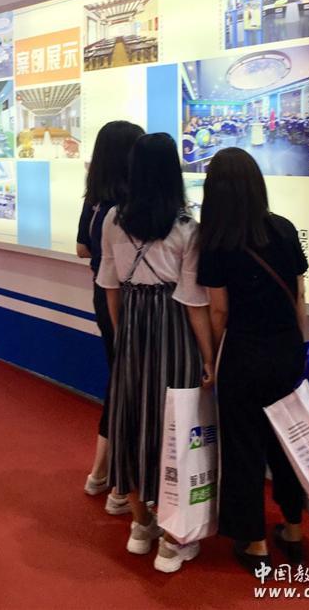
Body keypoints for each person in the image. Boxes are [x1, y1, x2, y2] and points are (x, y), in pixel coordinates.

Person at [97, 133, 213, 574]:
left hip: (132, 326)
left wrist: (122, 333)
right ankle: (172, 539)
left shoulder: (114, 218)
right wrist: (208, 356)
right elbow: (194, 301)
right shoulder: (186, 227)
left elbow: (109, 285)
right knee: (176, 425)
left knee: (130, 419)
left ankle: (140, 524)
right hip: (174, 329)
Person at [197, 147, 307, 573]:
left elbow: (218, 311)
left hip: (243, 353)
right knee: (288, 443)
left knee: (243, 448)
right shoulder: (283, 228)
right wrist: (297, 346)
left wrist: (213, 358)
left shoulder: (216, 241)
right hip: (285, 351)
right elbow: (298, 294)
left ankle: (255, 543)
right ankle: (293, 530)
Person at [76, 120, 144, 516]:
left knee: (120, 381)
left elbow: (82, 248)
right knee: (129, 386)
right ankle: (116, 480)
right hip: (135, 301)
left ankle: (102, 472)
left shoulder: (96, 200)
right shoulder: (135, 203)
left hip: (104, 297)